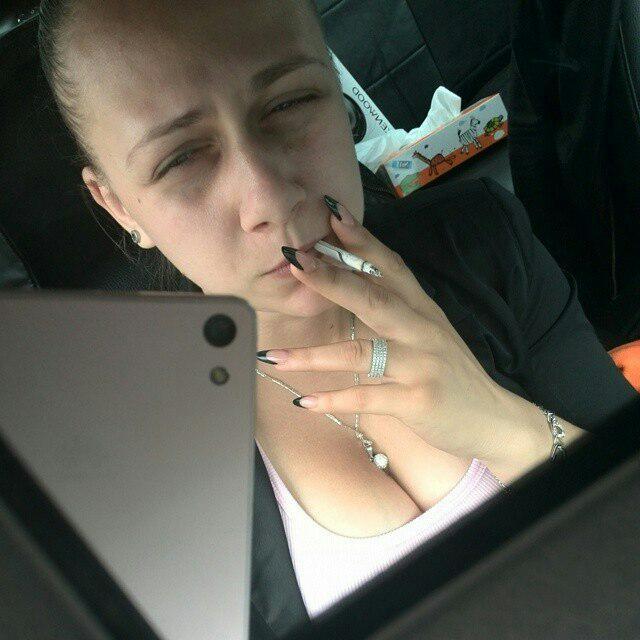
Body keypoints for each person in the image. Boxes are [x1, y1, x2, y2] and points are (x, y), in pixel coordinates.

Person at [36, 0, 639, 637]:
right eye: (180, 158)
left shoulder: (483, 241)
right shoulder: (140, 468)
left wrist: (502, 428)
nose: (270, 199)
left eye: (289, 103)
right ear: (118, 205)